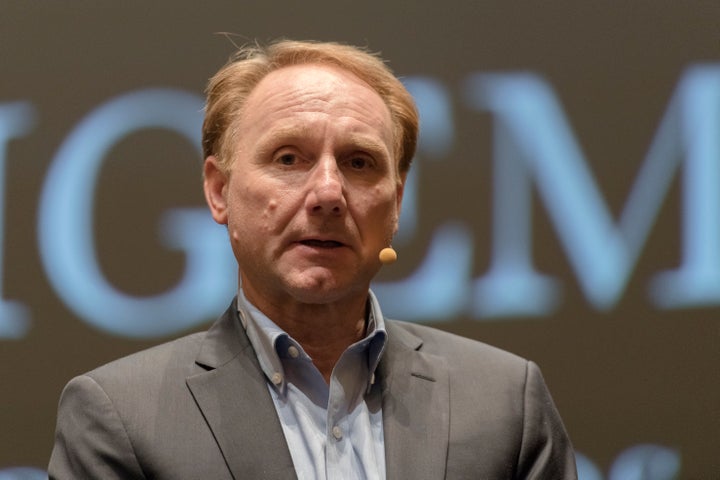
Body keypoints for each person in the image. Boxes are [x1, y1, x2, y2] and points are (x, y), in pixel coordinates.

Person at [48, 39, 577, 479]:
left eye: (359, 162)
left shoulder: (507, 403)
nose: (328, 192)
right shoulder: (119, 416)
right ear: (219, 191)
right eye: (288, 158)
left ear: (396, 200)